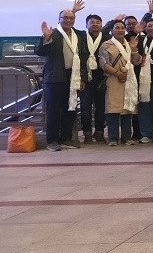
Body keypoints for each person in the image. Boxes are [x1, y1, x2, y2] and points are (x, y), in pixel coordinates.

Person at [37, 8, 89, 151]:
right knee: (53, 110)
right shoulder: (53, 34)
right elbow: (39, 51)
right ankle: (52, 140)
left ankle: (66, 138)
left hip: (73, 76)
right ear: (59, 19)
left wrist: (82, 78)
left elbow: (83, 57)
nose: (68, 20)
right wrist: (45, 39)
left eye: (71, 18)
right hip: (55, 77)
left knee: (70, 109)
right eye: (65, 17)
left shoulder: (77, 36)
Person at [98, 21, 140, 147]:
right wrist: (117, 73)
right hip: (113, 79)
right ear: (112, 30)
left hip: (128, 79)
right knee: (113, 109)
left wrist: (134, 49)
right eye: (117, 28)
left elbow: (136, 62)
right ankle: (113, 138)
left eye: (122, 28)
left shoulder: (128, 44)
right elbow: (104, 63)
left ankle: (127, 137)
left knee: (127, 108)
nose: (120, 30)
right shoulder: (106, 44)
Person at [80, 13, 108, 144]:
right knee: (85, 108)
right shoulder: (81, 37)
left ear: (101, 25)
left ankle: (99, 132)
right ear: (86, 25)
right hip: (85, 79)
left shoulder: (106, 38)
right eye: (92, 22)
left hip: (102, 78)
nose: (95, 25)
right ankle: (87, 133)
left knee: (101, 108)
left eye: (98, 22)